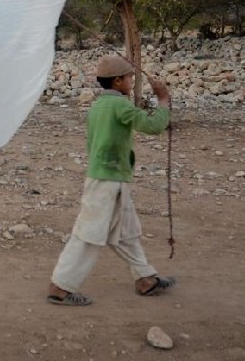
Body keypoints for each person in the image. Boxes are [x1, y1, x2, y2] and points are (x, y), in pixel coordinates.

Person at [47, 54, 175, 306]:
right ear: (118, 81)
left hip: (106, 177)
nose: (131, 81)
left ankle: (145, 278)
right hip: (108, 181)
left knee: (127, 232)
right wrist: (163, 100)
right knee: (88, 234)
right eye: (129, 78)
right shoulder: (121, 106)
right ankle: (60, 287)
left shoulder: (97, 106)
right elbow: (152, 126)